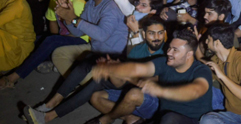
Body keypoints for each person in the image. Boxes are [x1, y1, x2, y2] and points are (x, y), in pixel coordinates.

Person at [84, 29, 212, 124]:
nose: (169, 52)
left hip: (192, 121)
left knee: (170, 118)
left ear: (189, 54)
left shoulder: (201, 70)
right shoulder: (165, 62)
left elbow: (195, 91)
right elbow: (137, 68)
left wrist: (160, 90)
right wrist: (108, 68)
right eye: (169, 48)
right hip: (163, 117)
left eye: (175, 50)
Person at [201, 22, 241, 124]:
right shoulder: (215, 60)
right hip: (231, 115)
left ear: (217, 43)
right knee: (207, 120)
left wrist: (221, 75)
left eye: (208, 39)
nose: (206, 42)